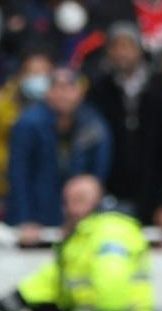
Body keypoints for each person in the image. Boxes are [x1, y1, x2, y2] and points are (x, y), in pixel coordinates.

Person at [0, 174, 154, 311]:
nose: (70, 209)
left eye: (78, 200)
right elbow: (48, 280)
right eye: (68, 201)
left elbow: (112, 276)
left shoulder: (110, 230)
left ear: (96, 202)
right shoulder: (81, 237)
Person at [6, 67, 113, 227]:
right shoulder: (28, 124)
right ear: (47, 92)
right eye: (56, 87)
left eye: (69, 87)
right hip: (37, 216)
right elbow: (18, 175)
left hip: (82, 216)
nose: (63, 94)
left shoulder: (93, 124)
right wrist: (24, 219)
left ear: (80, 92)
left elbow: (98, 174)